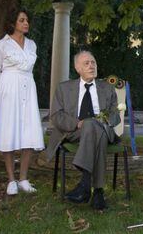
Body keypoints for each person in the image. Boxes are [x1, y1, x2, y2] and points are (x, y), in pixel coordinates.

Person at [46, 51, 120, 210]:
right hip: (73, 131)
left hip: (101, 129)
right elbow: (56, 115)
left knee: (94, 129)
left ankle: (85, 185)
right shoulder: (64, 88)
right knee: (89, 126)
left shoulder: (107, 88)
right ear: (77, 68)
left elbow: (115, 115)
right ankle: (97, 193)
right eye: (86, 63)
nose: (91, 66)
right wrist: (77, 123)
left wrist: (104, 120)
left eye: (93, 62)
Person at [0, 10, 44, 195]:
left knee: (29, 132)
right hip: (8, 91)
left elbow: (29, 68)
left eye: (27, 19)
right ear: (13, 23)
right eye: (22, 20)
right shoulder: (0, 46)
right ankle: (11, 180)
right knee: (8, 132)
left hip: (28, 88)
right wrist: (1, 94)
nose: (26, 22)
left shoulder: (32, 45)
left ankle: (24, 179)